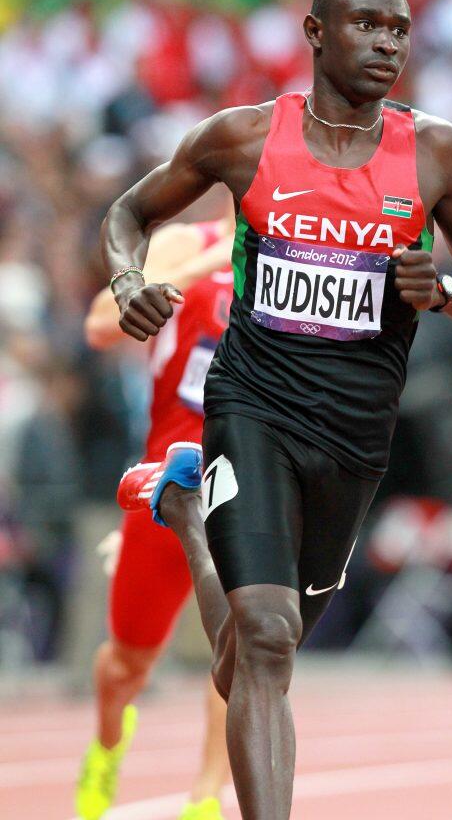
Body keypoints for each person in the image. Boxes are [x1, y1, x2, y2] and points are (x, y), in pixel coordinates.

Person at [102, 0, 452, 820]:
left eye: (398, 30)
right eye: (366, 24)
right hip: (251, 406)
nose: (386, 44)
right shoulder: (244, 138)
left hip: (354, 435)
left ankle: (186, 513)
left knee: (252, 660)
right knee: (266, 634)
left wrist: (441, 291)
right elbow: (128, 214)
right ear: (315, 34)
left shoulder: (436, 152)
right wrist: (128, 277)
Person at [76, 210, 235, 820]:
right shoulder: (186, 243)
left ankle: (205, 799)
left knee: (245, 642)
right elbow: (99, 324)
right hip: (170, 479)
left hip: (252, 473)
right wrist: (208, 264)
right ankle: (108, 742)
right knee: (126, 665)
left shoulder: (311, 255)